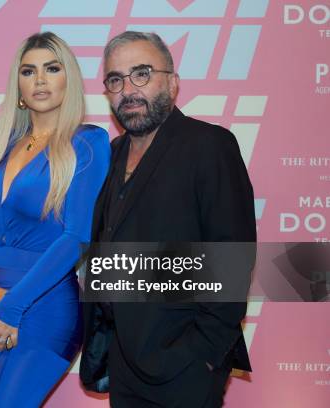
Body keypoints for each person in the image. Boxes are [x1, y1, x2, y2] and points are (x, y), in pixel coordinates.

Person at [79, 31, 256, 407]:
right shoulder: (111, 154)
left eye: (141, 73)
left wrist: (201, 355)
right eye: (116, 79)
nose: (129, 89)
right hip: (124, 361)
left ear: (172, 83)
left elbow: (233, 259)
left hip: (183, 364)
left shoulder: (209, 145)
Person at [0, 32, 110, 406]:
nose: (40, 80)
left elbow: (76, 237)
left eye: (52, 69)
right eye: (28, 71)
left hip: (41, 307)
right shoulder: (6, 143)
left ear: (70, 81)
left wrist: (13, 306)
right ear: (17, 84)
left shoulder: (87, 143)